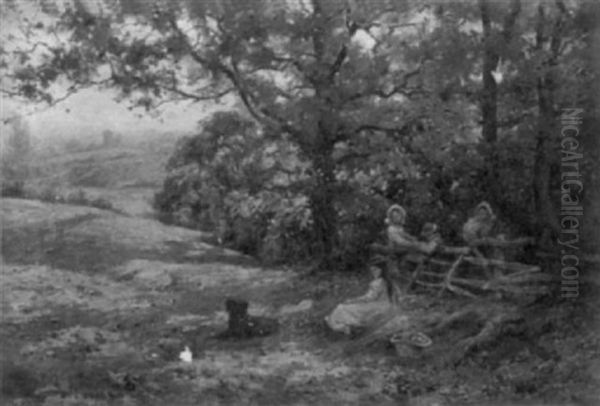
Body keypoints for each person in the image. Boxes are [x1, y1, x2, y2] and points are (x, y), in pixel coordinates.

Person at [325, 265, 394, 335]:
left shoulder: (378, 282)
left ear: (382, 270)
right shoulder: (386, 281)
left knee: (341, 308)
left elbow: (369, 298)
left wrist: (352, 301)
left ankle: (346, 328)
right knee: (345, 308)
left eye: (376, 270)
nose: (373, 272)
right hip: (384, 305)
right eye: (372, 270)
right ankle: (347, 328)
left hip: (376, 307)